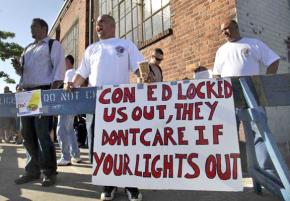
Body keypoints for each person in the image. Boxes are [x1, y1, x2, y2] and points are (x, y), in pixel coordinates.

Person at [65, 14, 143, 201]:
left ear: (113, 25)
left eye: (102, 21)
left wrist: (147, 76)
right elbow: (81, 74)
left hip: (121, 106)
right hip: (95, 105)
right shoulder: (91, 49)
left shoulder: (126, 45)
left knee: (124, 145)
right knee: (98, 147)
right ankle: (108, 185)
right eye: (96, 23)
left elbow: (140, 68)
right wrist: (71, 84)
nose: (97, 24)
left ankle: (131, 185)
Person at [213, 19, 280, 176]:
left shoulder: (253, 43)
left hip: (253, 94)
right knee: (229, 133)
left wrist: (263, 82)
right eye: (222, 31)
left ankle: (267, 171)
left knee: (260, 131)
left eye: (227, 28)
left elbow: (274, 60)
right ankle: (231, 172)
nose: (225, 32)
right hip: (230, 97)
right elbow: (216, 75)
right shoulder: (221, 51)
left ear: (236, 27)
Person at [12, 18, 65, 187]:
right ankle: (32, 170)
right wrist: (18, 68)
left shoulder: (53, 44)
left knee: (42, 133)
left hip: (43, 91)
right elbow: (23, 72)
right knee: (26, 133)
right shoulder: (28, 48)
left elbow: (59, 68)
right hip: (26, 93)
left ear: (43, 28)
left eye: (33, 26)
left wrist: (52, 91)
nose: (30, 29)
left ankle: (48, 172)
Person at [56, 55, 81, 166]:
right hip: (73, 106)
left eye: (64, 61)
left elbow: (67, 88)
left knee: (60, 130)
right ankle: (75, 155)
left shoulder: (69, 72)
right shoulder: (74, 72)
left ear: (68, 62)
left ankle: (65, 157)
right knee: (70, 131)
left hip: (66, 105)